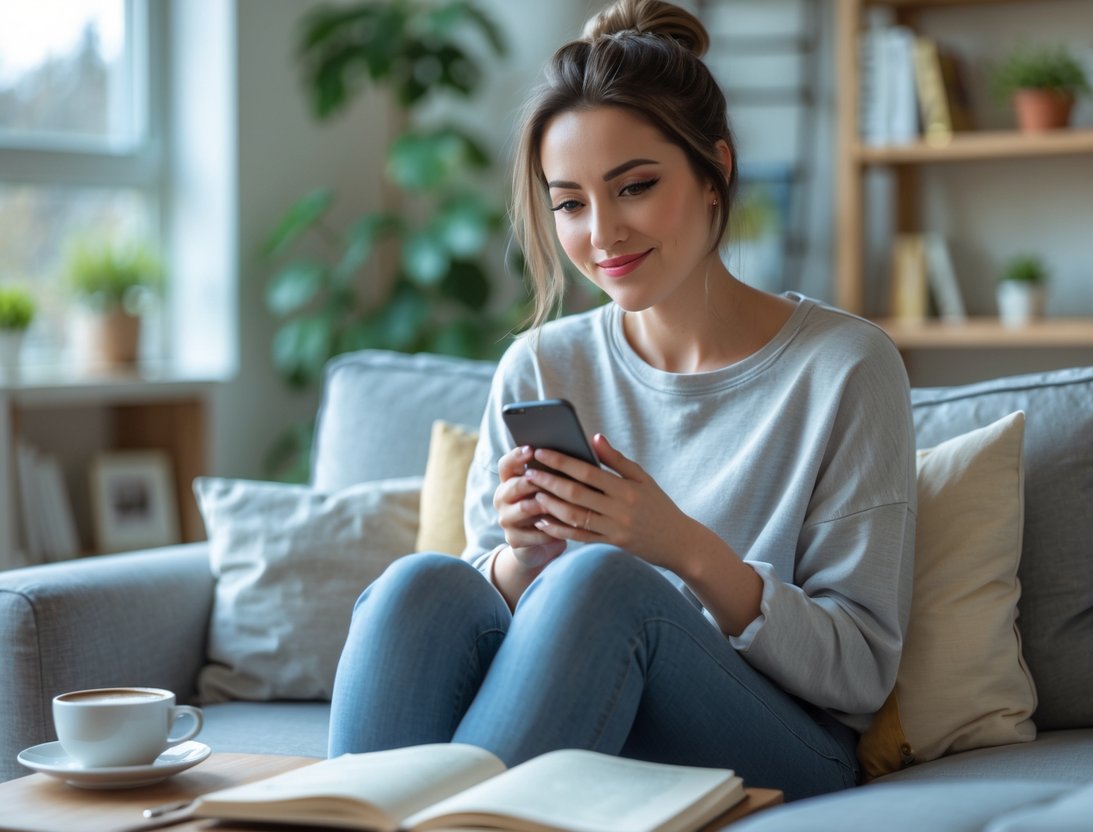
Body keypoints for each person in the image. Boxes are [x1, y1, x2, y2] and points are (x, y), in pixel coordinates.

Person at [329, 0, 916, 802]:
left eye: (634, 186)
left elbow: (859, 671)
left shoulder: (846, 367)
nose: (601, 233)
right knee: (418, 585)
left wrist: (681, 547)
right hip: (580, 707)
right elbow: (477, 619)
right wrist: (517, 561)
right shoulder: (539, 363)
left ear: (717, 171)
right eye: (569, 202)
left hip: (785, 736)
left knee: (601, 582)